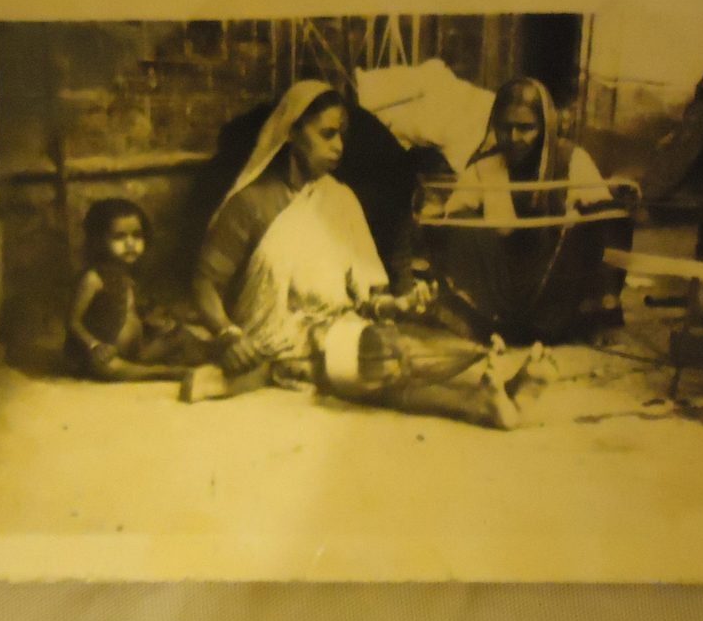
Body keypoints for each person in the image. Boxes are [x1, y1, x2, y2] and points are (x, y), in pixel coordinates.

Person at [186, 80, 546, 429]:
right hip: (275, 339)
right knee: (383, 354)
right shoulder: (249, 205)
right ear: (293, 133)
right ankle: (480, 401)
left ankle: (492, 390)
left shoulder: (339, 199)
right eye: (327, 134)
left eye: (341, 133)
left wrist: (397, 306)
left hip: (335, 329)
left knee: (401, 343)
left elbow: (366, 297)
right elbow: (205, 283)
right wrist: (228, 334)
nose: (339, 145)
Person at [426, 76, 633, 344]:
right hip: (502, 278)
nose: (513, 138)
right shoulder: (486, 166)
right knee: (460, 226)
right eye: (505, 127)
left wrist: (581, 214)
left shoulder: (570, 160)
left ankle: (588, 320)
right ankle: (480, 320)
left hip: (554, 278)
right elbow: (452, 215)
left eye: (525, 128)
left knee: (605, 219)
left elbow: (603, 211)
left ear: (545, 126)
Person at [65, 198, 195, 381]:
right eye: (119, 237)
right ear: (98, 240)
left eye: (137, 235)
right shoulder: (93, 279)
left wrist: (156, 321)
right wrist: (95, 345)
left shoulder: (130, 275)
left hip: (137, 349)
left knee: (180, 335)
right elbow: (73, 323)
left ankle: (216, 351)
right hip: (106, 352)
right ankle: (164, 373)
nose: (130, 244)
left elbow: (136, 309)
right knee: (106, 367)